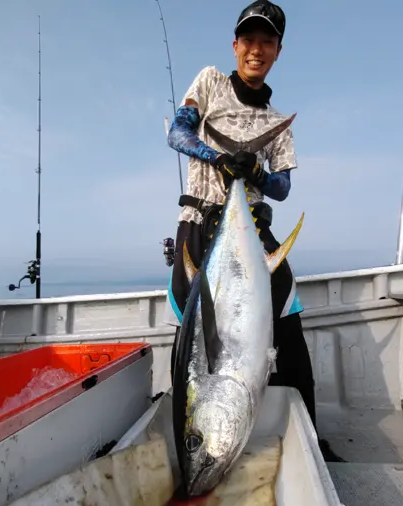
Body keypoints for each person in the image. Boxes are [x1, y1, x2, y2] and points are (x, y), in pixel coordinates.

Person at [164, 0, 342, 462]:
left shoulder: (277, 124)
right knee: (194, 337)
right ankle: (190, 437)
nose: (256, 49)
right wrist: (220, 158)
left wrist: (256, 175)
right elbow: (178, 135)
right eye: (249, 40)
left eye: (267, 41)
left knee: (288, 321)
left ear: (278, 50)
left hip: (251, 226)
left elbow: (282, 187)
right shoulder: (209, 81)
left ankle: (307, 439)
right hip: (200, 226)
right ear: (235, 44)